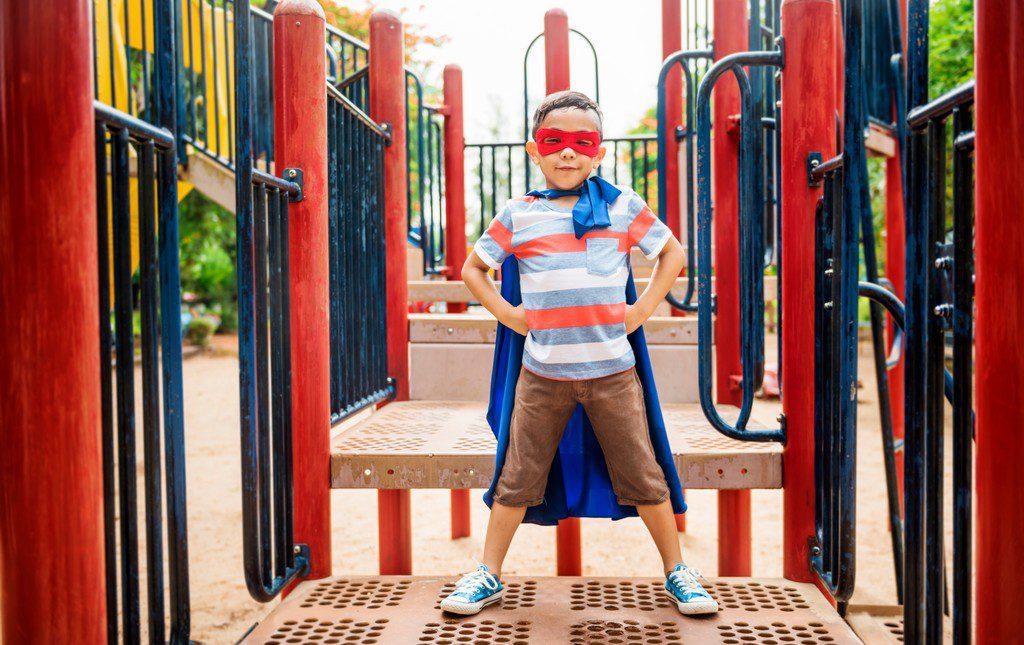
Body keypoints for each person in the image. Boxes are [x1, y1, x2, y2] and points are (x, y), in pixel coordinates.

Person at [439, 90, 719, 617]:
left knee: (643, 472)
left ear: (598, 152)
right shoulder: (520, 214)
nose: (567, 153)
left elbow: (672, 254)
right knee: (517, 476)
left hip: (613, 372)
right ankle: (488, 573)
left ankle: (677, 571)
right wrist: (509, 314)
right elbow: (473, 269)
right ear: (533, 150)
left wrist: (641, 313)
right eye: (555, 141)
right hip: (542, 373)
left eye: (581, 142)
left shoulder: (621, 205)